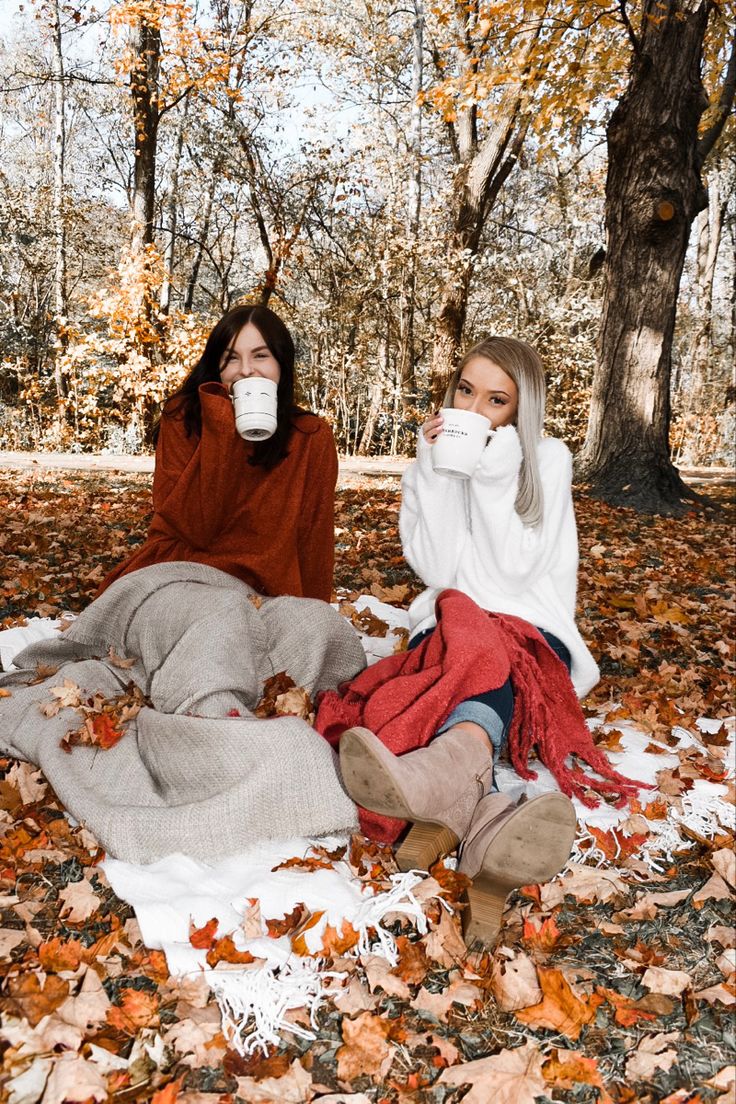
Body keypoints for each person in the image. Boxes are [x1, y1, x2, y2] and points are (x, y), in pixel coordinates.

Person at [317, 336, 640, 945]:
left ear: (521, 411)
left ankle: (447, 774)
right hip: (454, 623)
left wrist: (494, 477)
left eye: (497, 400)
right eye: (466, 390)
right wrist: (438, 474)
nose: (475, 407)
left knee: (484, 641)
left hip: (532, 629)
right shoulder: (433, 458)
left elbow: (511, 576)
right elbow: (439, 571)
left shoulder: (547, 459)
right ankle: (481, 817)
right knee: (465, 628)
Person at [98, 305, 338, 603]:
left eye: (261, 356)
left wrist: (313, 612)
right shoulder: (184, 418)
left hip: (265, 591)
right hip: (181, 574)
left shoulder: (310, 437)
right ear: (217, 367)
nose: (246, 370)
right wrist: (221, 424)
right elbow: (192, 528)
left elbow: (314, 540)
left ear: (281, 364)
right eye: (231, 358)